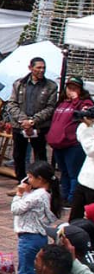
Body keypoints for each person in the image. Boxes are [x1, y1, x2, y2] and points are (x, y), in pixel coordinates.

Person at [5, 57, 60, 181]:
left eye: (43, 67)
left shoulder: (50, 86)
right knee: (19, 155)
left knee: (40, 154)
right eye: (38, 67)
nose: (41, 70)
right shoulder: (19, 84)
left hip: (40, 126)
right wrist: (24, 120)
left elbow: (50, 107)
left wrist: (33, 121)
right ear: (30, 68)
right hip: (20, 125)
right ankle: (21, 181)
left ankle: (42, 181)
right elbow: (11, 103)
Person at [14, 161, 63, 274]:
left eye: (30, 177)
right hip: (39, 237)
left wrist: (19, 194)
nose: (27, 180)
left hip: (29, 238)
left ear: (40, 179)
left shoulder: (37, 195)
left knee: (25, 273)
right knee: (35, 271)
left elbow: (16, 209)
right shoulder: (45, 193)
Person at [51, 78, 94, 206]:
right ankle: (64, 197)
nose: (71, 90)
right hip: (58, 144)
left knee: (73, 173)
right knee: (63, 172)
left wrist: (76, 100)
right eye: (69, 87)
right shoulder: (63, 103)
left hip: (72, 145)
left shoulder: (84, 102)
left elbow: (86, 117)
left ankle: (72, 199)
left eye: (75, 88)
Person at [75, 101, 94, 221]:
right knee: (75, 222)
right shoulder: (87, 127)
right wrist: (88, 126)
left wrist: (89, 128)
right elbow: (80, 135)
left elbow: (92, 151)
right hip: (85, 181)